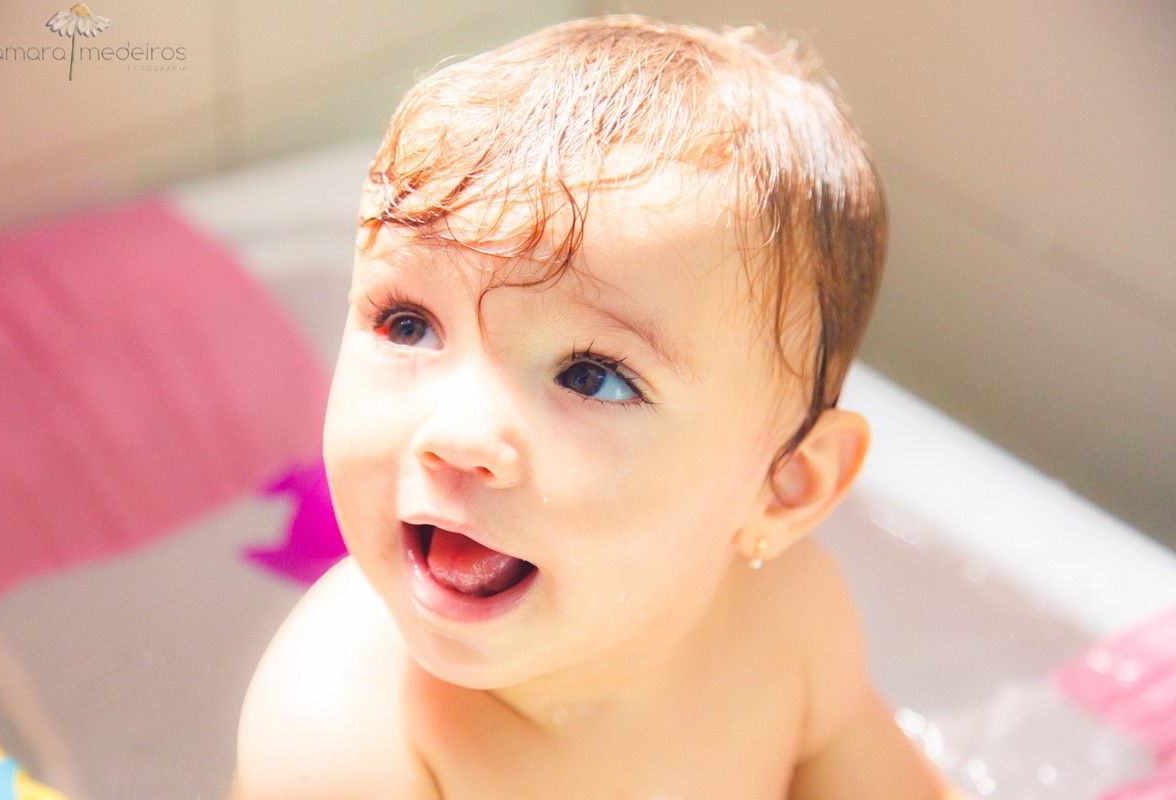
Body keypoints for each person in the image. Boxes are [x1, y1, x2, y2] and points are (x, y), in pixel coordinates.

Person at [232, 15, 962, 798]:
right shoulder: (342, 732)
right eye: (406, 324)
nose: (457, 433)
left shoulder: (789, 622)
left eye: (591, 377)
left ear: (785, 485)